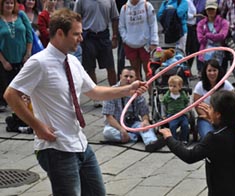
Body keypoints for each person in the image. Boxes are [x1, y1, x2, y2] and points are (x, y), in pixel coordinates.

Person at [3, 8, 148, 195]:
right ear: (60, 33)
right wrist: (37, 126)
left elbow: (94, 91)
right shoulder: (39, 62)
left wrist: (128, 89)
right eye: (76, 34)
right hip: (56, 147)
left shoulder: (72, 61)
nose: (81, 38)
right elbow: (11, 94)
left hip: (80, 142)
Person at [159, 90, 235, 196]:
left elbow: (189, 156)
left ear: (218, 114)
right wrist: (213, 121)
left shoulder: (214, 138)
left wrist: (169, 138)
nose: (207, 110)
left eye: (210, 107)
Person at [102, 66, 165, 152]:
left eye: (131, 77)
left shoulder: (137, 91)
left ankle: (151, 142)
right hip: (116, 125)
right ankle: (135, 136)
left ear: (135, 78)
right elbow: (109, 116)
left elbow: (144, 112)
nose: (128, 79)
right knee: (107, 132)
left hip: (133, 123)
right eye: (126, 76)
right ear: (120, 76)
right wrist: (121, 129)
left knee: (146, 126)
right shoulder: (112, 92)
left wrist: (145, 121)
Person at [74, 0, 118, 89]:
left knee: (111, 67)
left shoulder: (110, 1)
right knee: (90, 69)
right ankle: (95, 99)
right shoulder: (80, 1)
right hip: (88, 36)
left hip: (104, 35)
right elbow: (75, 18)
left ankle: (115, 94)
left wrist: (115, 37)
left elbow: (115, 18)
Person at [0, 0, 33, 112]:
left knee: (23, 86)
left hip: (22, 58)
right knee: (6, 87)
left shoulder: (21, 15)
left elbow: (29, 35)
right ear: (2, 4)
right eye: (7, 3)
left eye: (11, 3)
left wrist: (27, 54)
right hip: (5, 60)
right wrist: (3, 61)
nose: (9, 5)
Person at [193, 59, 234, 140]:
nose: (212, 73)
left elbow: (233, 104)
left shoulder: (226, 85)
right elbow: (198, 106)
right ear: (205, 72)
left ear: (218, 71)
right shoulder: (200, 86)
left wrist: (220, 119)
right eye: (209, 70)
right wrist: (210, 118)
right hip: (206, 118)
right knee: (208, 138)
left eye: (214, 70)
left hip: (223, 119)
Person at [119, 0, 159, 80]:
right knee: (135, 72)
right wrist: (126, 39)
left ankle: (150, 92)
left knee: (148, 71)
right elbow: (121, 26)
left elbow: (153, 24)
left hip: (145, 44)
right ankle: (138, 91)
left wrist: (154, 41)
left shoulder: (147, 6)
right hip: (130, 44)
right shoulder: (124, 8)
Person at [196, 0, 229, 67]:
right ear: (205, 10)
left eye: (212, 9)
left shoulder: (224, 22)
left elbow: (222, 36)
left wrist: (208, 35)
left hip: (221, 54)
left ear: (216, 9)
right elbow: (200, 40)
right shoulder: (201, 23)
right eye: (208, 9)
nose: (210, 11)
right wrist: (215, 36)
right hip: (204, 54)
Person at [162, 75, 190, 143]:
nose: (172, 88)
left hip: (182, 114)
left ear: (180, 87)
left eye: (174, 86)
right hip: (172, 115)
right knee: (172, 126)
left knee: (185, 125)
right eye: (170, 86)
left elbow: (187, 102)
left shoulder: (183, 95)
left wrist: (188, 110)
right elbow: (163, 105)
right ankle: (174, 140)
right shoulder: (167, 96)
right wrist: (164, 115)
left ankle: (184, 139)